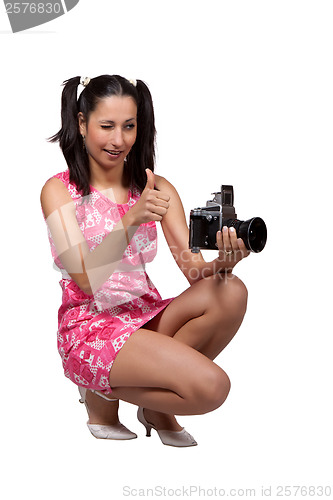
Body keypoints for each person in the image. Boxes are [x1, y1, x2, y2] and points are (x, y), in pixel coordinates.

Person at [40, 74, 250, 447]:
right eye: (106, 126)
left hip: (143, 315)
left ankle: (148, 404)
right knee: (212, 387)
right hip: (90, 326)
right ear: (82, 124)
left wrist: (226, 260)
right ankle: (96, 384)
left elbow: (193, 271)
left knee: (229, 290)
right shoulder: (59, 191)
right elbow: (85, 280)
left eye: (129, 126)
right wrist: (131, 218)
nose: (119, 140)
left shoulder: (156, 188)